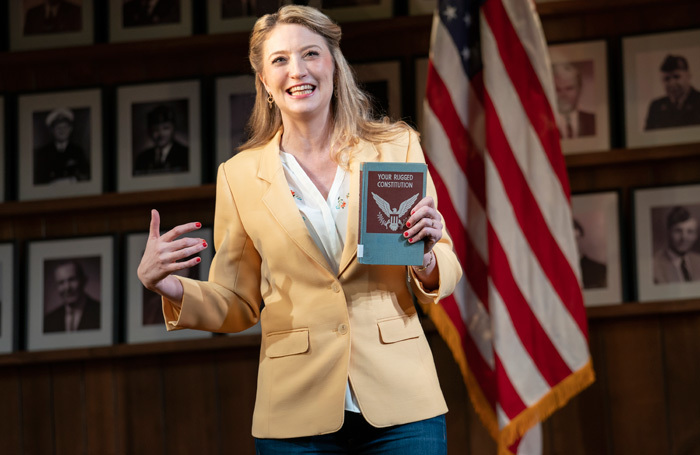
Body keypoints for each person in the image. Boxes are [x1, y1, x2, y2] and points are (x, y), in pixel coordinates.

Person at [137, 5, 461, 454]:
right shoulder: (239, 175)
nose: (298, 70)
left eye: (311, 54)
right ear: (265, 82)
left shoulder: (395, 146)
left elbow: (443, 258)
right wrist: (169, 286)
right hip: (295, 412)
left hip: (403, 403)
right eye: (280, 60)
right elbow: (237, 302)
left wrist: (427, 258)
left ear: (333, 65)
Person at [33, 107, 90, 185]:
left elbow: (86, 175)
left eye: (65, 127)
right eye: (58, 128)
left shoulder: (78, 150)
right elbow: (39, 180)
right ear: (52, 130)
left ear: (70, 129)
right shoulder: (43, 153)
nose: (62, 131)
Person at [645, 54, 700, 130]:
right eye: (667, 79)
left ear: (688, 76)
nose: (672, 83)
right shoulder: (656, 107)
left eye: (676, 76)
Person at [44, 260, 101, 333]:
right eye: (61, 283)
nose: (67, 288)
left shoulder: (101, 313)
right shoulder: (49, 320)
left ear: (84, 280)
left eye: (72, 279)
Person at [133, 104, 189, 176]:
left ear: (174, 128)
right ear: (149, 131)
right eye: (155, 129)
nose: (161, 134)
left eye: (165, 128)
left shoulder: (185, 154)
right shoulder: (142, 159)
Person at [653, 206, 700, 284]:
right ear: (668, 232)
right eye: (678, 231)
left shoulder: (698, 261)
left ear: (696, 236)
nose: (684, 238)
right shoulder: (654, 266)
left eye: (690, 231)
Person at [552, 62, 596, 139]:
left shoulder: (593, 121)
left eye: (569, 88)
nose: (563, 95)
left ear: (579, 88)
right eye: (558, 89)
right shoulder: (541, 125)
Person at [573, 219, 607, 289]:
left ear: (582, 239)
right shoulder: (554, 272)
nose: (575, 244)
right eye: (571, 239)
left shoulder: (600, 269)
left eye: (577, 238)